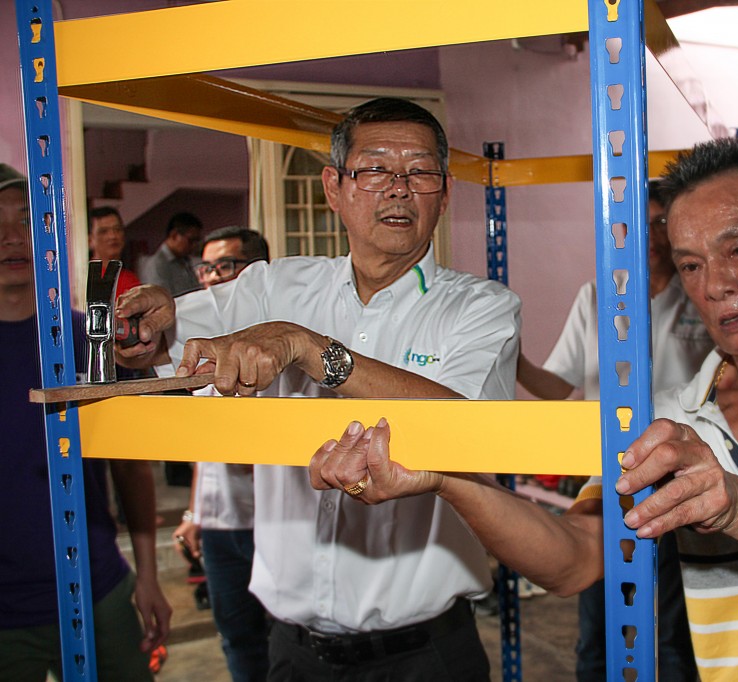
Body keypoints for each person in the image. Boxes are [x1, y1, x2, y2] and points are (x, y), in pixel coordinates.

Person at [309, 138, 738, 681]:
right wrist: (449, 476)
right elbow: (576, 559)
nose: (715, 285)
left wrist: (735, 503)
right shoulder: (682, 419)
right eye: (689, 264)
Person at [116, 98, 521, 681]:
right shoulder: (274, 287)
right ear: (334, 187)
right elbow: (170, 341)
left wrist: (312, 351)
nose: (399, 188)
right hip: (294, 654)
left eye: (420, 171)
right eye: (376, 168)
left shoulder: (483, 309)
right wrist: (144, 331)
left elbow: (457, 424)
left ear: (445, 190)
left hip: (425, 657)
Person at [517, 179, 708, 681]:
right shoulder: (599, 296)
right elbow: (562, 387)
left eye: (659, 223)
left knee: (672, 633)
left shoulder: (700, 299)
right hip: (609, 477)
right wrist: (511, 358)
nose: (648, 236)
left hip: (680, 480)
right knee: (597, 628)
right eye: (636, 224)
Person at [0, 164, 172, 679]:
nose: (12, 237)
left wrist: (147, 574)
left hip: (96, 587)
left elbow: (130, 466)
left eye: (26, 220)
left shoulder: (88, 340)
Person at [173, 226, 271, 682]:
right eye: (206, 267)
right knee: (236, 636)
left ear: (257, 274)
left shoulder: (272, 352)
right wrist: (195, 511)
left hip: (272, 524)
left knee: (281, 639)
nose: (212, 278)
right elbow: (202, 451)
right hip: (218, 527)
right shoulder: (196, 350)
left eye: (225, 266)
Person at [139, 211, 202, 296]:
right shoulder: (156, 264)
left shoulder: (185, 260)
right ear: (174, 235)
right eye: (191, 240)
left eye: (197, 241)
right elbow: (161, 300)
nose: (194, 245)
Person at [88, 206, 141, 300]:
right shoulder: (84, 278)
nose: (113, 236)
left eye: (117, 229)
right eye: (103, 232)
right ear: (90, 240)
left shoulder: (130, 278)